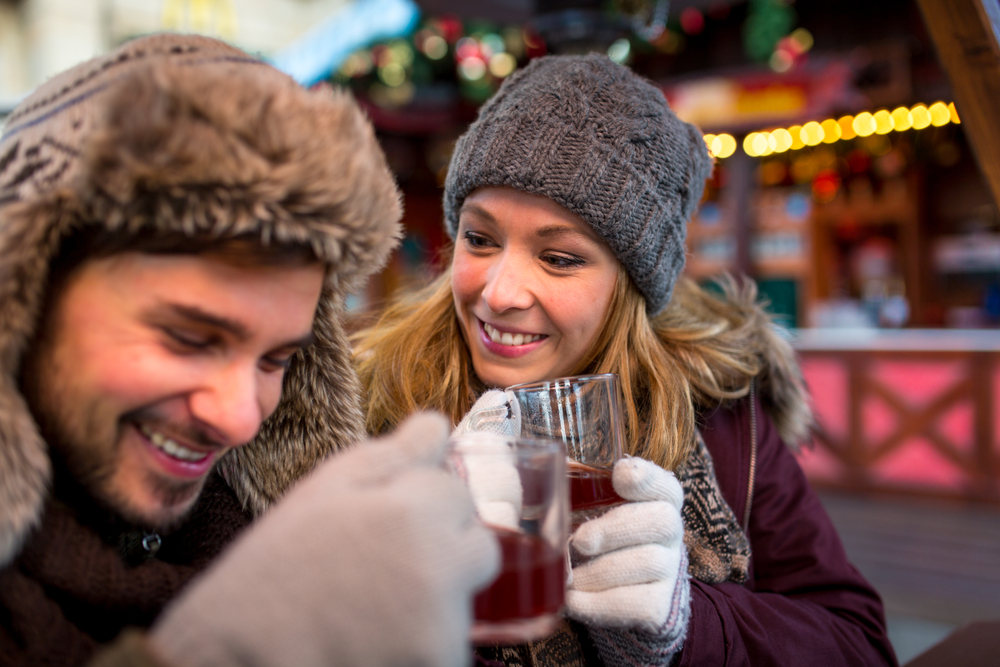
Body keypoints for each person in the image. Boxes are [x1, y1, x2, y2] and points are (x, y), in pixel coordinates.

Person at [353, 54, 898, 666]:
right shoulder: (358, 415)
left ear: (631, 287)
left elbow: (859, 645)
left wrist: (687, 625)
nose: (499, 293)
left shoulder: (719, 413)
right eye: (479, 239)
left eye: (559, 258)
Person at [0, 33, 498, 667]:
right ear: (27, 294)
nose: (238, 418)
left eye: (277, 360)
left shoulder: (268, 525)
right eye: (189, 339)